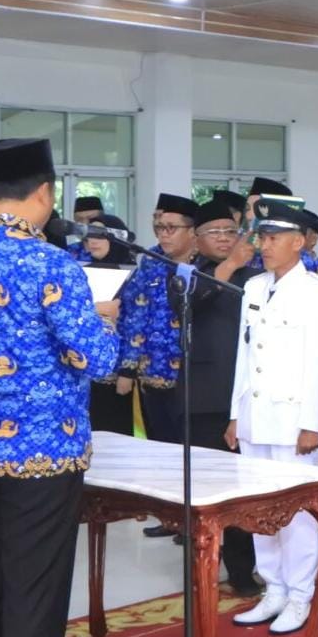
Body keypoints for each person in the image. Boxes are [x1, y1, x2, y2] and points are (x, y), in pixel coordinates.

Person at [0, 138, 120, 637]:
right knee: (35, 584)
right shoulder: (52, 263)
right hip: (44, 448)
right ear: (45, 192)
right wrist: (105, 322)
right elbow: (96, 360)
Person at [225, 198, 318, 636]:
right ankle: (273, 589)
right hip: (255, 416)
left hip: (293, 422)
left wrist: (312, 422)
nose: (264, 245)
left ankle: (300, 595)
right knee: (260, 511)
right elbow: (244, 355)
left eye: (274, 238)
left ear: (299, 242)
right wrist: (236, 414)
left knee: (297, 515)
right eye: (262, 237)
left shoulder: (317, 292)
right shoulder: (254, 287)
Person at [180, 195, 261, 594]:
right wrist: (228, 267)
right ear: (196, 239)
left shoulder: (255, 276)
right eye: (215, 232)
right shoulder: (185, 273)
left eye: (230, 231)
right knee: (207, 491)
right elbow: (187, 303)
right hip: (205, 399)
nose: (226, 238)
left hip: (248, 397)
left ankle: (244, 570)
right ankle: (201, 569)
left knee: (245, 489)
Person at [116, 193, 200, 540]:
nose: (163, 234)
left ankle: (197, 519)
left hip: (192, 378)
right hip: (153, 372)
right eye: (160, 227)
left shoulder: (206, 267)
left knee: (192, 451)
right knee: (161, 450)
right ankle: (171, 516)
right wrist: (127, 367)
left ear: (193, 231)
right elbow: (131, 315)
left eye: (171, 228)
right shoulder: (150, 262)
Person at [82, 214, 137, 437]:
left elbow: (135, 325)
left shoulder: (132, 273)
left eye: (100, 236)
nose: (92, 241)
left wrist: (127, 370)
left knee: (117, 432)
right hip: (88, 370)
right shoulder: (81, 272)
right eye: (89, 236)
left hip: (118, 371)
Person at [65, 196, 104, 262]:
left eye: (91, 218)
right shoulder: (68, 253)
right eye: (79, 219)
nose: (84, 223)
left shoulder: (116, 250)